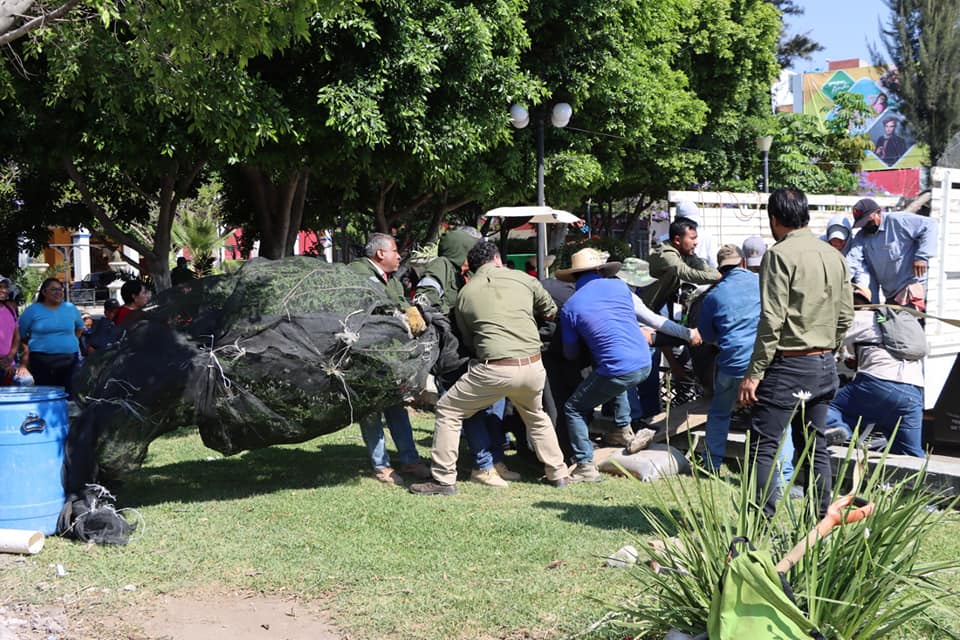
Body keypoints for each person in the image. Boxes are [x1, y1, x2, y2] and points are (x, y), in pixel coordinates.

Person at [410, 241, 569, 494]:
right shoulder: (523, 279)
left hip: (495, 368)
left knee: (449, 410)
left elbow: (469, 339)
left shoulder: (465, 294)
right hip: (533, 366)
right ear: (497, 258)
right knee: (536, 416)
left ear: (471, 268)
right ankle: (558, 473)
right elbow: (550, 311)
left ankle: (443, 479)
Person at [737, 187, 853, 518]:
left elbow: (771, 320)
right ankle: (818, 524)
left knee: (763, 447)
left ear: (774, 219)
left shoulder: (779, 254)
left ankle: (758, 528)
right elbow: (846, 315)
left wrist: (754, 373)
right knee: (815, 447)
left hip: (789, 365)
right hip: (824, 364)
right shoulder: (834, 255)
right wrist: (829, 348)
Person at [557, 249, 651, 482]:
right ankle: (623, 431)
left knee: (573, 409)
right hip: (644, 361)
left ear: (573, 277)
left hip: (618, 368)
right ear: (600, 270)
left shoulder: (570, 307)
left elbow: (570, 353)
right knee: (610, 376)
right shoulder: (620, 287)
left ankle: (585, 466)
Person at [348, 233, 431, 485]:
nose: (399, 256)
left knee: (396, 405)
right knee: (371, 411)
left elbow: (399, 302)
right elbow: (372, 308)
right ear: (380, 254)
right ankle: (381, 465)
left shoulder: (391, 279)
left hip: (390, 355)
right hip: (366, 355)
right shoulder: (358, 273)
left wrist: (411, 312)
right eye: (395, 251)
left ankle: (409, 460)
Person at [825, 286, 925, 457]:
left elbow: (828, 340)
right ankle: (926, 481)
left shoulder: (861, 317)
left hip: (878, 382)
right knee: (911, 454)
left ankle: (838, 427)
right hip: (914, 392)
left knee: (829, 404)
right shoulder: (900, 323)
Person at [697, 245, 761, 471]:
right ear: (743, 263)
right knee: (770, 418)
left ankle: (711, 464)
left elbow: (707, 335)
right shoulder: (761, 283)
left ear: (720, 270)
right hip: (762, 365)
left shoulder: (713, 295)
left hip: (732, 364)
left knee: (719, 413)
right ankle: (778, 472)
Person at [846, 198, 938, 311]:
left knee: (907, 326)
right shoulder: (862, 236)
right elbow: (852, 261)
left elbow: (930, 225)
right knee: (889, 326)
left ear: (878, 213)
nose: (865, 226)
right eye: (862, 224)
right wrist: (840, 281)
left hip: (910, 288)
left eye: (868, 222)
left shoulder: (898, 221)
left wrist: (921, 257)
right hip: (890, 294)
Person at [17, 277, 85, 396]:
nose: (58, 292)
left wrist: (69, 341)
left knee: (69, 394)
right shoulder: (33, 310)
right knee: (45, 393)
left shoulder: (70, 308)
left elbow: (79, 328)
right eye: (53, 289)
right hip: (41, 360)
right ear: (44, 292)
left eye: (60, 289)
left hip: (69, 358)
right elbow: (21, 333)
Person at [642, 218, 721, 319]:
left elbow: (703, 267)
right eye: (692, 238)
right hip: (644, 310)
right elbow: (687, 273)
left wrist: (719, 275)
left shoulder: (686, 253)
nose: (696, 243)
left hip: (658, 307)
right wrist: (718, 277)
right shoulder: (666, 255)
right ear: (677, 240)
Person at [0, 277, 20, 385]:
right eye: (0, 287)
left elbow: (16, 336)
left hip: (8, 367)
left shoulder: (10, 309)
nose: (3, 290)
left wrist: (9, 357)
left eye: (5, 287)